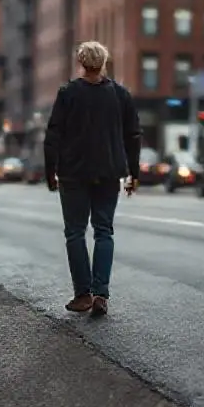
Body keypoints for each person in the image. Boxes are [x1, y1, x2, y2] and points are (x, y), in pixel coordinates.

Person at [43, 40, 142, 317]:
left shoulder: (68, 93)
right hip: (109, 172)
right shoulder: (120, 95)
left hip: (73, 173)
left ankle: (83, 294)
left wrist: (50, 171)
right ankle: (101, 294)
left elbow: (53, 135)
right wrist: (134, 173)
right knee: (104, 231)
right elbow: (133, 135)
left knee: (75, 232)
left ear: (81, 62)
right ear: (104, 62)